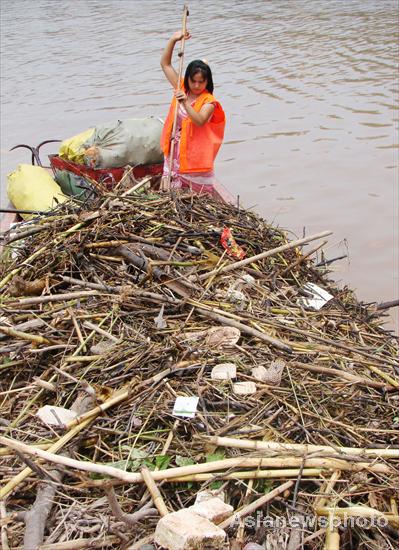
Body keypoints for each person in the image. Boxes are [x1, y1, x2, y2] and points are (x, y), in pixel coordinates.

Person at [160, 31, 232, 202]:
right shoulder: (182, 87)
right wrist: (173, 40)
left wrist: (185, 102)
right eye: (193, 81)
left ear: (208, 82)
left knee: (196, 200)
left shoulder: (209, 102)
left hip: (194, 159)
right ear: (189, 79)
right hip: (175, 151)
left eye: (202, 82)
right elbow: (165, 64)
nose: (197, 85)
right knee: (170, 194)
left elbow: (199, 120)